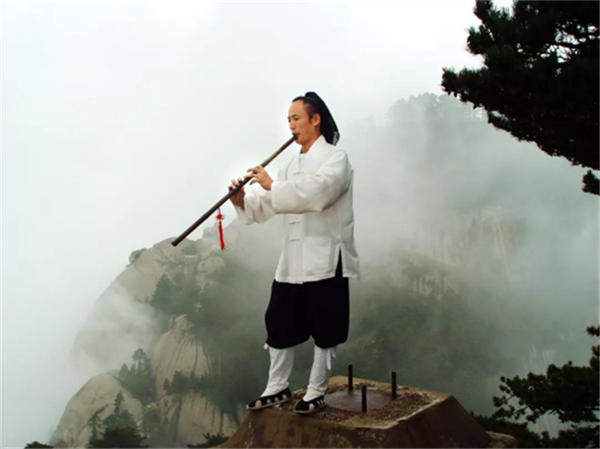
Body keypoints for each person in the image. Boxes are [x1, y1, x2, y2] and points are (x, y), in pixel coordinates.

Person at [228, 91, 360, 415]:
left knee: (326, 326)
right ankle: (277, 386)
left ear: (316, 119)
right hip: (292, 260)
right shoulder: (289, 165)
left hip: (326, 257)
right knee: (279, 320)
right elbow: (271, 202)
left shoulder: (336, 159)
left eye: (296, 118)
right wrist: (242, 200)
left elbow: (318, 194)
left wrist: (272, 185)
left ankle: (316, 391)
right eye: (288, 119)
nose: (291, 125)